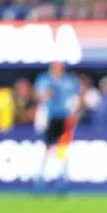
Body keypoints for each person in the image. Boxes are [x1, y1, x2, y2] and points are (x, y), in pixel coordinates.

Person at [33, 61, 81, 192]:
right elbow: (39, 95)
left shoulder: (70, 81)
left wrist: (75, 112)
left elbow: (76, 98)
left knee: (63, 149)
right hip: (51, 116)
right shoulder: (45, 80)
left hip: (65, 118)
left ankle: (62, 179)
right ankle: (41, 179)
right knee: (47, 148)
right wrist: (46, 95)